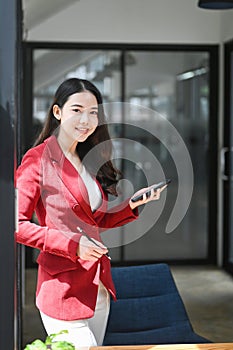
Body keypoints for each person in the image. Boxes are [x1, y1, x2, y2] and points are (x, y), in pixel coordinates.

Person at [16, 78, 166, 348]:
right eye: (77, 110)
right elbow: (15, 225)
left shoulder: (86, 159)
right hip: (63, 290)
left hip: (97, 287)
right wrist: (73, 245)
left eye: (93, 112)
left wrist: (131, 205)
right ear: (58, 112)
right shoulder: (37, 159)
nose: (86, 119)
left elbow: (91, 222)